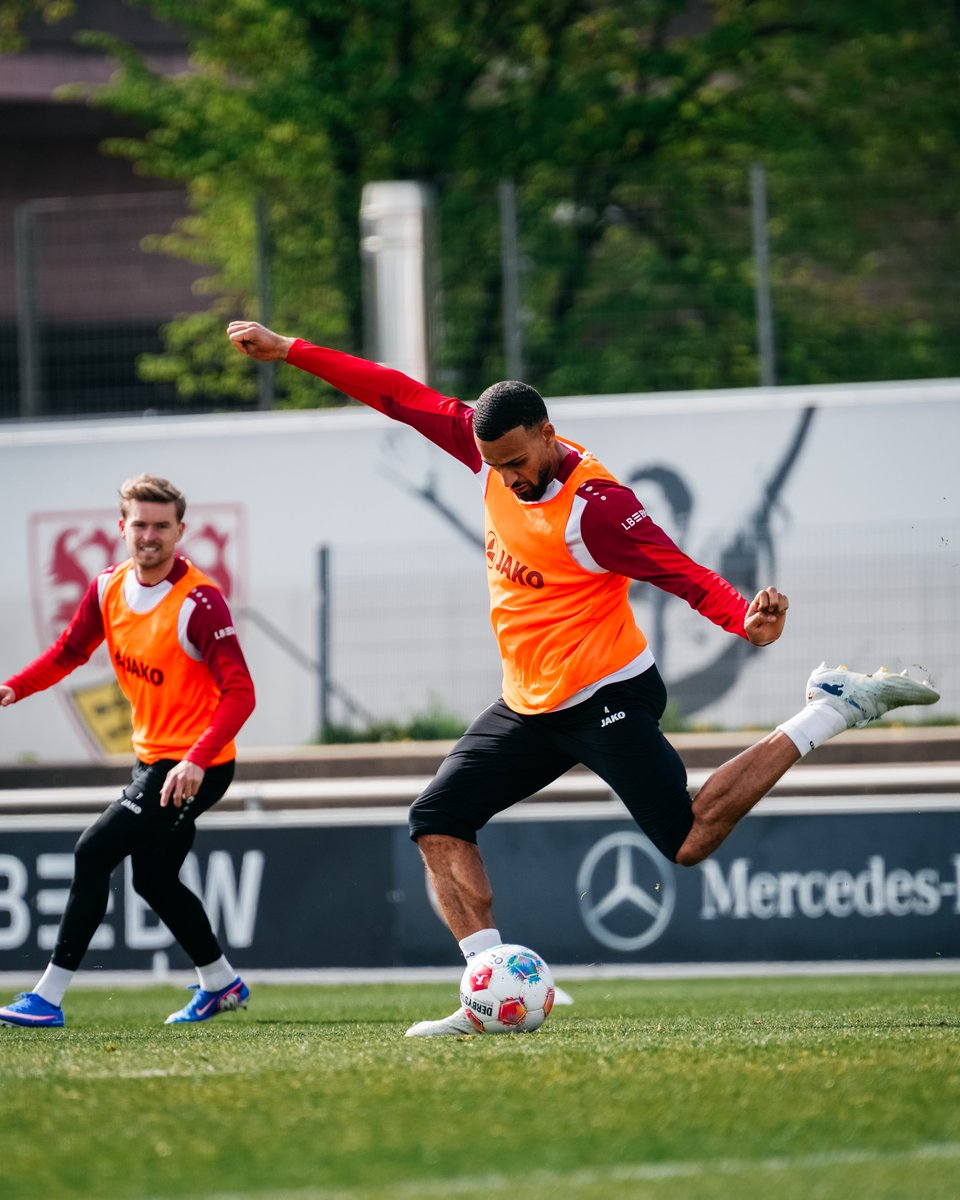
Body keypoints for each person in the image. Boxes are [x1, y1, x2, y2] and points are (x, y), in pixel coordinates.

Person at [228, 320, 940, 1037]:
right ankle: (490, 990)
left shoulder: (597, 509)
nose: (508, 476)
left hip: (607, 693)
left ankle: (828, 709)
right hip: (530, 702)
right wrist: (290, 350)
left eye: (516, 461)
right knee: (437, 821)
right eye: (496, 465)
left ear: (546, 432)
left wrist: (742, 619)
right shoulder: (483, 452)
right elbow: (394, 393)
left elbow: (680, 571)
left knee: (688, 842)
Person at [0, 475, 256, 1029]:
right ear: (121, 529)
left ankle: (46, 997)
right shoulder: (108, 587)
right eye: (139, 524)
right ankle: (222, 983)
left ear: (180, 531)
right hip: (154, 760)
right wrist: (14, 687)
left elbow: (241, 692)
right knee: (154, 880)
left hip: (197, 765)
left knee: (93, 851)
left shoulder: (200, 602)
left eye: (162, 525)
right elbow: (69, 651)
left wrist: (194, 759)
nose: (149, 535)